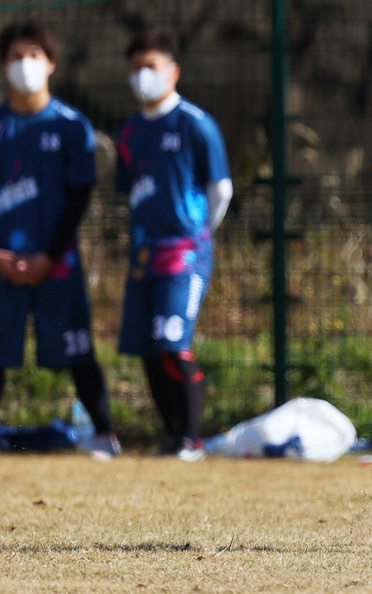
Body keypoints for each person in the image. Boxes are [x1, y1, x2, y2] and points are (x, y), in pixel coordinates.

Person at [0, 21, 120, 459]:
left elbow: (79, 197)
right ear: (2, 65)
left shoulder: (71, 126)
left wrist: (49, 255)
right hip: (2, 265)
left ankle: (105, 433)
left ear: (51, 64)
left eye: (33, 55)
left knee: (77, 347)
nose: (24, 64)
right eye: (15, 56)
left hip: (58, 264)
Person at [115, 30, 232, 461]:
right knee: (147, 348)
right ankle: (171, 435)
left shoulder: (196, 124)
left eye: (151, 66)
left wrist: (197, 235)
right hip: (143, 253)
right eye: (135, 67)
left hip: (184, 253)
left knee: (172, 342)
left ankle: (191, 438)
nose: (142, 75)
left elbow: (220, 190)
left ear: (173, 72)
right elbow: (130, 191)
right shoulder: (129, 131)